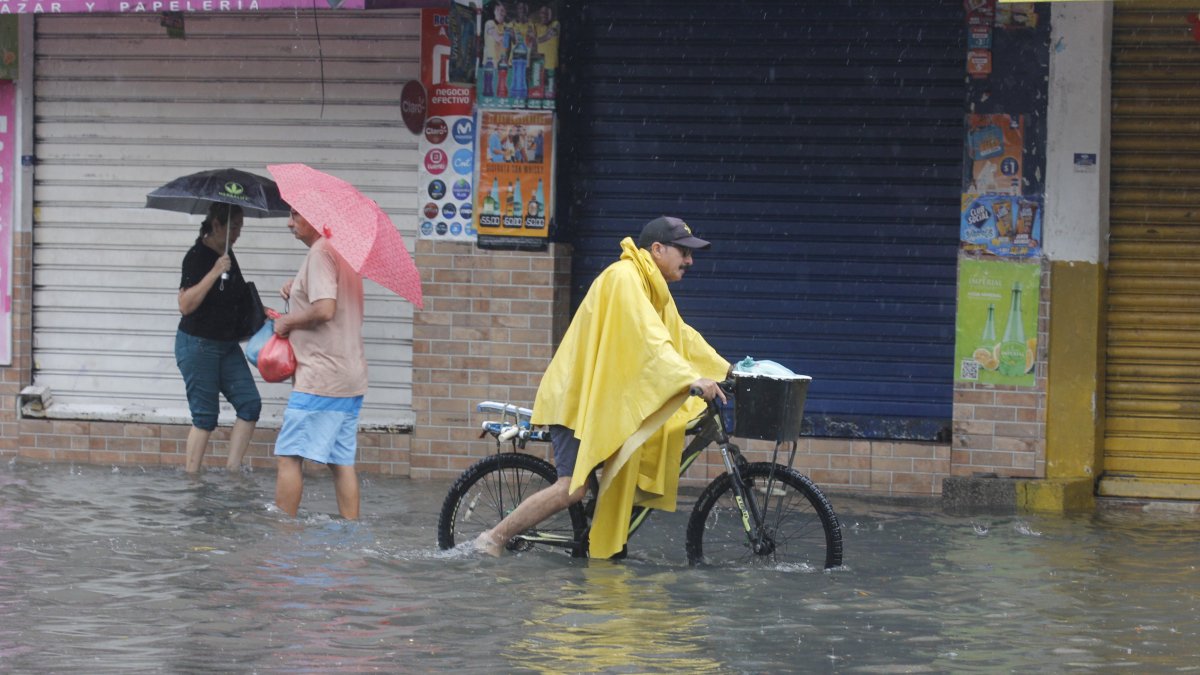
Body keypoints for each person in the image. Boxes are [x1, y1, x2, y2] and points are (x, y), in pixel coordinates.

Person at [475, 216, 730, 558]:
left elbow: (682, 337)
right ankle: (493, 538)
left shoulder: (652, 287)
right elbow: (651, 340)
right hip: (578, 400)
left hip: (601, 399)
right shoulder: (625, 278)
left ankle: (601, 538)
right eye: (683, 251)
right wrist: (689, 378)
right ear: (657, 249)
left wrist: (728, 371)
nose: (690, 260)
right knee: (572, 489)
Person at [272, 207, 368, 519]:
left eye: (296, 215)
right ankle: (350, 533)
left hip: (321, 377)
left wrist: (287, 322)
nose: (290, 222)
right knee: (341, 462)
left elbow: (325, 309)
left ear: (317, 217)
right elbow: (328, 300)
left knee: (289, 457)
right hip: (350, 376)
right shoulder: (343, 253)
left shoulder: (321, 251)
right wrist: (297, 287)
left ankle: (283, 536)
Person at [175, 203, 262, 473]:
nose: (237, 233)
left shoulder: (229, 254)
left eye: (240, 227)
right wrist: (214, 271)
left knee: (250, 403)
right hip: (198, 344)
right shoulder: (197, 257)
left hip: (226, 345)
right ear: (216, 225)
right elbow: (185, 304)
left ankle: (232, 471)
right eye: (233, 227)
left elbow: (236, 296)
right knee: (205, 416)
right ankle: (192, 479)